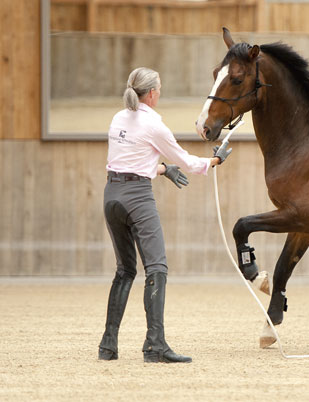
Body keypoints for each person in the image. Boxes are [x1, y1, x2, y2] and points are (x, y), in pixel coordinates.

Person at [98, 67, 232, 363]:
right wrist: (214, 160)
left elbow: (127, 161)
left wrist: (161, 169)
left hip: (112, 196)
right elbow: (186, 161)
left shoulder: (118, 118)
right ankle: (155, 345)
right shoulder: (154, 124)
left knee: (124, 270)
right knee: (156, 269)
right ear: (153, 93)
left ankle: (108, 345)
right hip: (137, 198)